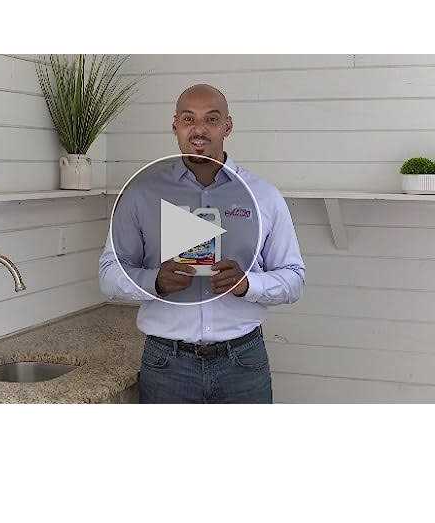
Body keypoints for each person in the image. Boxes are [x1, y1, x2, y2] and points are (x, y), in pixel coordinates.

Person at [99, 84, 305, 403]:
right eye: (188, 119)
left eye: (211, 119)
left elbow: (294, 278)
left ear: (227, 126)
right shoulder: (142, 194)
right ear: (175, 126)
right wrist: (155, 281)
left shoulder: (264, 196)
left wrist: (247, 284)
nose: (199, 129)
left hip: (242, 363)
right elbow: (109, 274)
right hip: (166, 365)